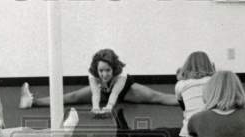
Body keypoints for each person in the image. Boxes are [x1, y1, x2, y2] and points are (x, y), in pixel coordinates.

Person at [115, 50, 245, 137]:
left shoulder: (180, 85)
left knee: (161, 133)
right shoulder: (217, 80)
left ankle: (126, 132)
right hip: (224, 136)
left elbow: (184, 109)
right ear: (210, 65)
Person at [19, 48, 178, 116]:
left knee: (155, 97)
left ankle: (185, 100)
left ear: (114, 68)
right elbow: (96, 93)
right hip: (103, 91)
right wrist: (95, 107)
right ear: (96, 69)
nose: (104, 74)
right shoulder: (94, 75)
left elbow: (115, 93)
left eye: (108, 70)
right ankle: (33, 102)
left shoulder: (121, 76)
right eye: (101, 70)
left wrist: (109, 107)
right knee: (72, 97)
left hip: (125, 90)